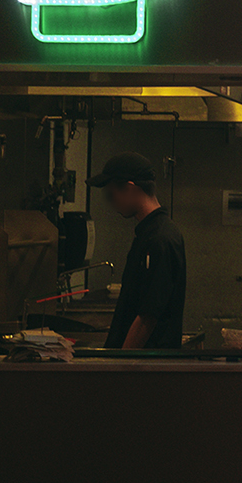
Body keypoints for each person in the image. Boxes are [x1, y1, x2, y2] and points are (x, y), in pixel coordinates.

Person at [92, 150, 187, 349]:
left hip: (147, 362)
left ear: (130, 188)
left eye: (111, 194)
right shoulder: (150, 234)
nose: (112, 203)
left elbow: (148, 316)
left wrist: (122, 361)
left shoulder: (160, 239)